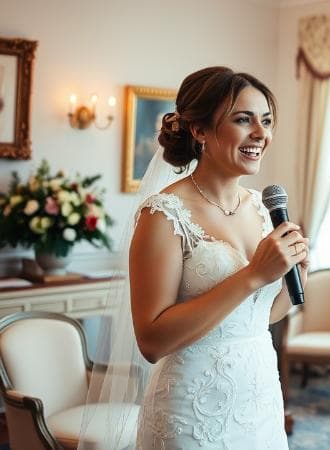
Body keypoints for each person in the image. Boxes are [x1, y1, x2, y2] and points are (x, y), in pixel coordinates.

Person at [81, 66, 307, 449]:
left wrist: (295, 271)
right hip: (191, 412)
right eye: (243, 119)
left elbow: (257, 317)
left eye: (266, 121)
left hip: (260, 400)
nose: (260, 134)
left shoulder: (261, 208)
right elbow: (151, 341)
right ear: (200, 130)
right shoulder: (164, 214)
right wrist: (254, 274)